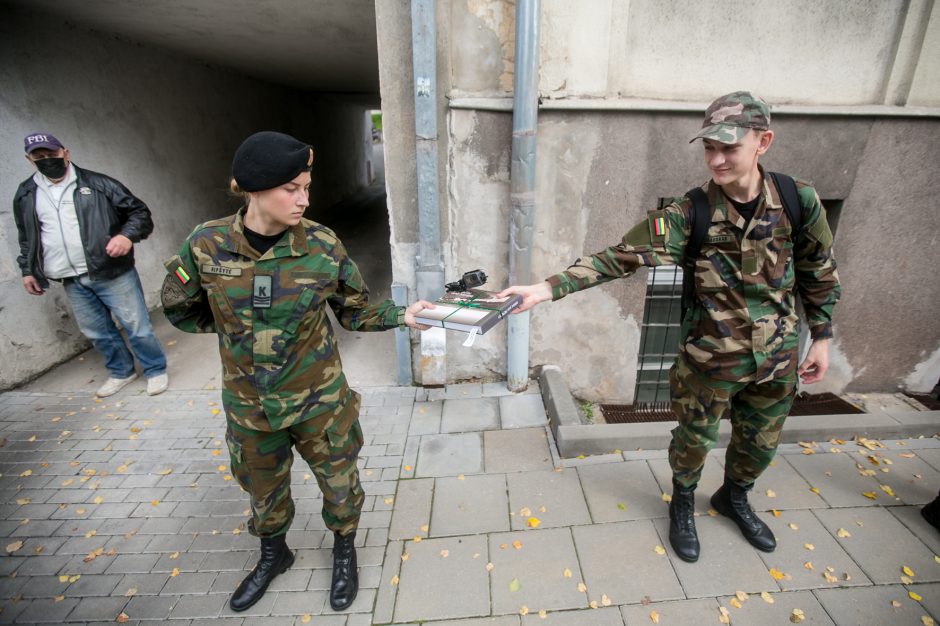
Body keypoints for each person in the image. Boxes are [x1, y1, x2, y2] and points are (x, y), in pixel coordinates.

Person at [500, 92, 840, 563]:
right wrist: (546, 288)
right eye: (708, 148)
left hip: (777, 360)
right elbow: (619, 257)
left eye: (729, 148)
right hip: (709, 362)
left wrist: (820, 337)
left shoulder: (798, 200)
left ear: (763, 141)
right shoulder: (690, 213)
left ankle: (734, 497)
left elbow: (818, 269)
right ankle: (683, 503)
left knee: (759, 445)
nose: (716, 159)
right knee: (692, 444)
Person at [160, 131, 433, 612]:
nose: (304, 199)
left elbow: (353, 312)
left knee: (340, 483)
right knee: (262, 490)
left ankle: (344, 550)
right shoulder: (206, 245)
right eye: (292, 189)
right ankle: (274, 554)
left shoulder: (322, 245)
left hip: (319, 402)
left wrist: (404, 315)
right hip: (250, 407)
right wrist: (237, 334)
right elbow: (181, 308)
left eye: (307, 187)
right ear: (252, 188)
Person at [12, 132, 169, 397]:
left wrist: (126, 236)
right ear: (29, 160)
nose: (47, 160)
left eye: (52, 154)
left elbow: (139, 213)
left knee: (137, 325)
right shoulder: (26, 194)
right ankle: (122, 372)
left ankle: (155, 370)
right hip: (69, 276)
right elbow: (27, 237)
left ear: (66, 153)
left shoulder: (99, 184)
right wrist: (27, 270)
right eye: (39, 157)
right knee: (97, 331)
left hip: (112, 270)